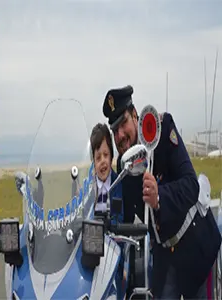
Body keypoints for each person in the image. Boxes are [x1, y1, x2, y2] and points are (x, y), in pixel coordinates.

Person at [102, 85, 221, 298]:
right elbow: (128, 219)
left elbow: (191, 185)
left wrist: (159, 198)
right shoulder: (124, 165)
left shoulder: (162, 128)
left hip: (194, 245)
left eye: (123, 124)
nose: (119, 135)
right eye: (114, 130)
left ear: (136, 115)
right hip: (164, 257)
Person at [89, 123, 121, 215]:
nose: (103, 161)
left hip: (110, 229)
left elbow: (118, 216)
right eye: (98, 158)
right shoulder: (90, 186)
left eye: (106, 155)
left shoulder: (117, 184)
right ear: (93, 162)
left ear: (111, 156)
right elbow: (85, 214)